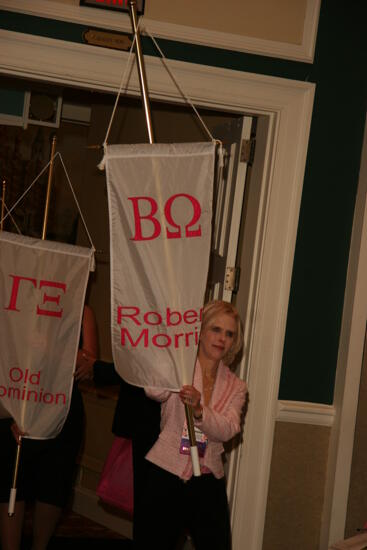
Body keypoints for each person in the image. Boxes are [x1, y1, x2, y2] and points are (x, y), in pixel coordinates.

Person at [135, 299, 248, 550]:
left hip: (208, 478)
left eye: (229, 334)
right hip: (166, 471)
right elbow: (154, 392)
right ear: (200, 330)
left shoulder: (236, 386)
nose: (222, 339)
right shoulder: (180, 366)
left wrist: (199, 411)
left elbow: (229, 428)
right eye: (215, 330)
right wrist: (167, 357)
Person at [0, 304, 97, 550]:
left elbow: (86, 366)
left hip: (63, 407)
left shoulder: (81, 310)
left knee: (54, 485)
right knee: (12, 482)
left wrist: (49, 347)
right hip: (17, 401)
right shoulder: (16, 298)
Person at [75, 354, 161, 544]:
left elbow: (148, 365)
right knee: (148, 511)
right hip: (146, 425)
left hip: (156, 428)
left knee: (155, 511)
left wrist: (97, 369)